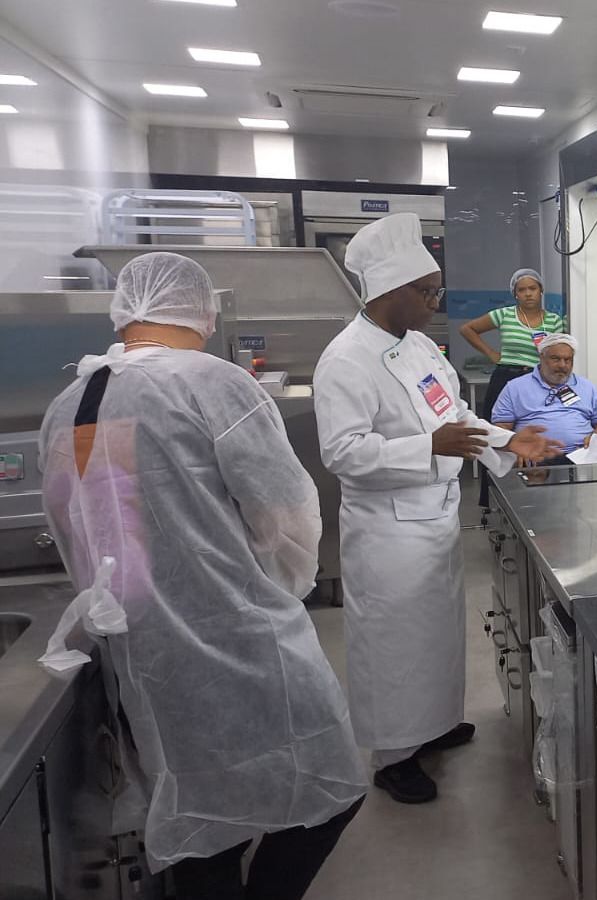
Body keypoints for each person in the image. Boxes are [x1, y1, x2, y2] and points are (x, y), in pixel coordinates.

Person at [37, 252, 365, 898]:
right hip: (239, 638)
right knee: (329, 789)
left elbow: (78, 534)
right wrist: (280, 587)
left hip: (143, 654)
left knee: (202, 823)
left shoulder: (69, 404)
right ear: (200, 309)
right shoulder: (210, 383)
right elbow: (287, 518)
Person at [314, 213, 556, 805]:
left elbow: (457, 419)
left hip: (436, 519)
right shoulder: (346, 360)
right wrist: (427, 446)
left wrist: (508, 441)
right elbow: (342, 452)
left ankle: (435, 724)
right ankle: (394, 755)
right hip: (387, 533)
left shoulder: (419, 346)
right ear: (390, 293)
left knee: (439, 635)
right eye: (426, 293)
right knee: (395, 644)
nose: (434, 302)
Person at [460, 268, 566, 505]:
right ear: (515, 294)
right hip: (505, 378)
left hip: (538, 382)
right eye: (522, 290)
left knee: (531, 436)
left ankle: (531, 499)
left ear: (541, 292)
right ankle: (491, 501)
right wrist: (491, 353)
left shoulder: (554, 321)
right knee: (497, 438)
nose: (528, 294)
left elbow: (557, 353)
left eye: (532, 289)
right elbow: (467, 329)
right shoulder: (504, 315)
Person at [490, 334, 597, 465]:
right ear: (541, 357)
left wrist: (595, 439)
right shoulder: (515, 387)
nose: (562, 365)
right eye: (555, 359)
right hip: (536, 457)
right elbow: (500, 427)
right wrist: (516, 447)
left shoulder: (587, 387)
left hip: (582, 456)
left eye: (568, 360)